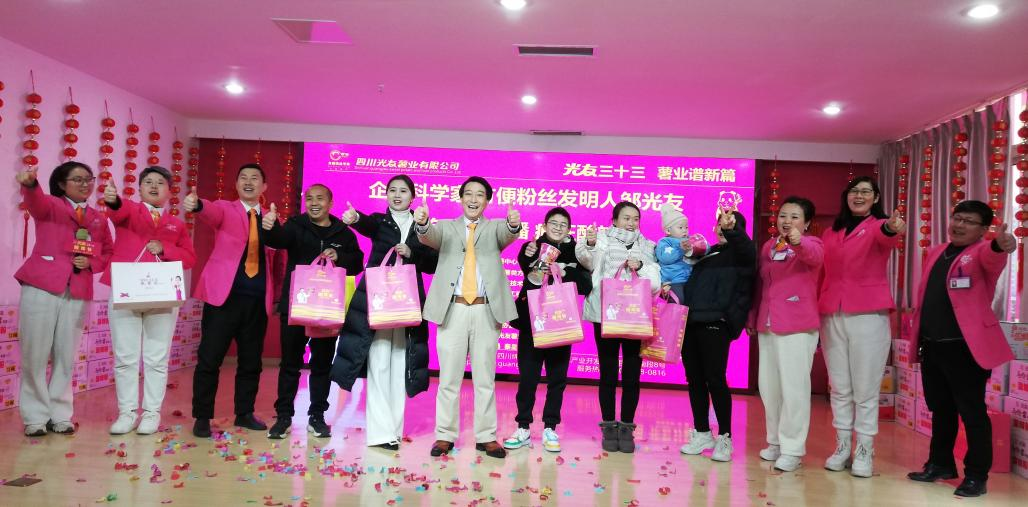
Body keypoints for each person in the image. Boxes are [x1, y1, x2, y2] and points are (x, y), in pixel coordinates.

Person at [906, 200, 1016, 498]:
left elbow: (994, 256)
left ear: (983, 230)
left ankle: (976, 476)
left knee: (972, 413)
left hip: (965, 348)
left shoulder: (981, 251)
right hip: (933, 345)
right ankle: (940, 464)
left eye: (968, 221)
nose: (959, 224)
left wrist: (1000, 245)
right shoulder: (937, 251)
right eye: (957, 217)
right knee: (941, 409)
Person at [415, 176, 521, 459]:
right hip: (453, 310)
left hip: (486, 310)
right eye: (469, 194)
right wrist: (422, 223)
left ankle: (486, 437)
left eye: (480, 195)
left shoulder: (495, 227)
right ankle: (444, 435)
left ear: (487, 201)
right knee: (449, 378)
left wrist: (513, 224)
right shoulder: (446, 228)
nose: (474, 199)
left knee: (485, 379)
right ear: (461, 198)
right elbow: (428, 236)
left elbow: (509, 233)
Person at [332, 175, 438, 450]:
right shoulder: (380, 221)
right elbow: (365, 224)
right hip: (377, 299)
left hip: (407, 301)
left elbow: (431, 264)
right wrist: (355, 218)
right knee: (378, 362)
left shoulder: (422, 226)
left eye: (403, 191)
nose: (397, 195)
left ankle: (394, 430)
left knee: (400, 363)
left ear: (413, 197)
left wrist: (412, 252)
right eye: (392, 190)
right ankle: (380, 434)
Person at [14, 161, 113, 436]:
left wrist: (91, 262)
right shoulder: (51, 205)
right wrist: (30, 184)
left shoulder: (98, 218)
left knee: (66, 356)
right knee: (35, 354)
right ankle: (35, 417)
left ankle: (60, 414)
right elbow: (35, 203)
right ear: (61, 184)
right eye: (77, 179)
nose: (85, 184)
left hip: (78, 289)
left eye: (89, 179)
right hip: (42, 286)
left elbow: (108, 252)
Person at [262, 183, 364, 439]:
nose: (314, 203)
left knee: (321, 364)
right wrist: (270, 226)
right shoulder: (295, 225)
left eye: (320, 198)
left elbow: (357, 263)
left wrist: (339, 257)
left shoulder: (343, 232)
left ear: (331, 203)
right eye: (309, 198)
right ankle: (284, 417)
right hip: (296, 306)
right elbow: (277, 240)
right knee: (290, 364)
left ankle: (317, 416)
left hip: (326, 309)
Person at [819, 176, 905, 477]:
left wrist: (892, 227)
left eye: (866, 192)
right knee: (839, 386)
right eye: (854, 191)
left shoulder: (879, 226)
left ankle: (865, 450)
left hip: (868, 314)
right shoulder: (832, 231)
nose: (859, 196)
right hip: (832, 312)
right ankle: (842, 446)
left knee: (865, 389)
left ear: (875, 197)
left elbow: (887, 235)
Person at [101, 167, 196, 435]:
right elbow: (117, 211)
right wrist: (112, 200)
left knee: (156, 358)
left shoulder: (176, 224)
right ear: (140, 188)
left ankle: (151, 413)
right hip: (127, 291)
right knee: (125, 357)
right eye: (148, 182)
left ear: (169, 191)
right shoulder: (130, 211)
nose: (154, 186)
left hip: (162, 294)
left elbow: (190, 258)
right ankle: (127, 413)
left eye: (160, 183)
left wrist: (165, 248)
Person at [184, 164, 276, 438]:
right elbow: (209, 211)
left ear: (264, 186)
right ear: (236, 184)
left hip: (257, 302)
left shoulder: (271, 218)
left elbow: (279, 260)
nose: (248, 182)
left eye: (255, 178)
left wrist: (278, 297)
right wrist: (197, 204)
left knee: (251, 362)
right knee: (209, 359)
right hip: (223, 300)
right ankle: (202, 416)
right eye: (243, 178)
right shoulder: (225, 208)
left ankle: (244, 413)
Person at [503, 207, 592, 453]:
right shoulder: (532, 247)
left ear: (570, 229)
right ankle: (523, 427)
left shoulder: (577, 252)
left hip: (561, 323)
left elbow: (586, 285)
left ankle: (550, 428)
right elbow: (527, 273)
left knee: (557, 380)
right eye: (554, 223)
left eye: (563, 224)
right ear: (544, 225)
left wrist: (565, 270)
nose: (558, 227)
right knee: (528, 378)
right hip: (533, 323)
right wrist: (536, 264)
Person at [576, 201, 660, 453]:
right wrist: (590, 243)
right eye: (626, 218)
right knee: (608, 373)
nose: (631, 223)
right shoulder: (601, 239)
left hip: (635, 316)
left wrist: (641, 267)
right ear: (614, 220)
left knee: (632, 375)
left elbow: (655, 284)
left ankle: (627, 428)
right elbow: (587, 261)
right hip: (606, 315)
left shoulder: (648, 246)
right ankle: (608, 427)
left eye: (635, 219)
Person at [748, 196, 824, 472]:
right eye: (782, 215)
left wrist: (797, 241)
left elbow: (813, 257)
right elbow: (761, 285)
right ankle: (775, 442)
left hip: (797, 325)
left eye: (794, 216)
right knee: (770, 388)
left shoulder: (812, 244)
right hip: (768, 323)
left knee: (794, 389)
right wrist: (753, 316)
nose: (787, 221)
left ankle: (792, 448)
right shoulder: (769, 246)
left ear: (806, 223)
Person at [677, 209, 755, 462]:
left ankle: (725, 437)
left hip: (717, 323)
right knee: (695, 380)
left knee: (715, 380)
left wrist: (734, 231)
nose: (723, 228)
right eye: (720, 224)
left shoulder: (742, 254)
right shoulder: (706, 254)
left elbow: (744, 247)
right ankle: (702, 433)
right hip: (691, 322)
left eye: (729, 225)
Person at [655, 203, 696, 301]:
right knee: (678, 299)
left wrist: (700, 244)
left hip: (689, 278)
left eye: (686, 227)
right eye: (680, 228)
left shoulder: (689, 239)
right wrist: (680, 249)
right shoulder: (665, 242)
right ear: (668, 230)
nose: (684, 230)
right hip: (673, 281)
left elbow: (705, 249)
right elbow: (665, 258)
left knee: (694, 299)